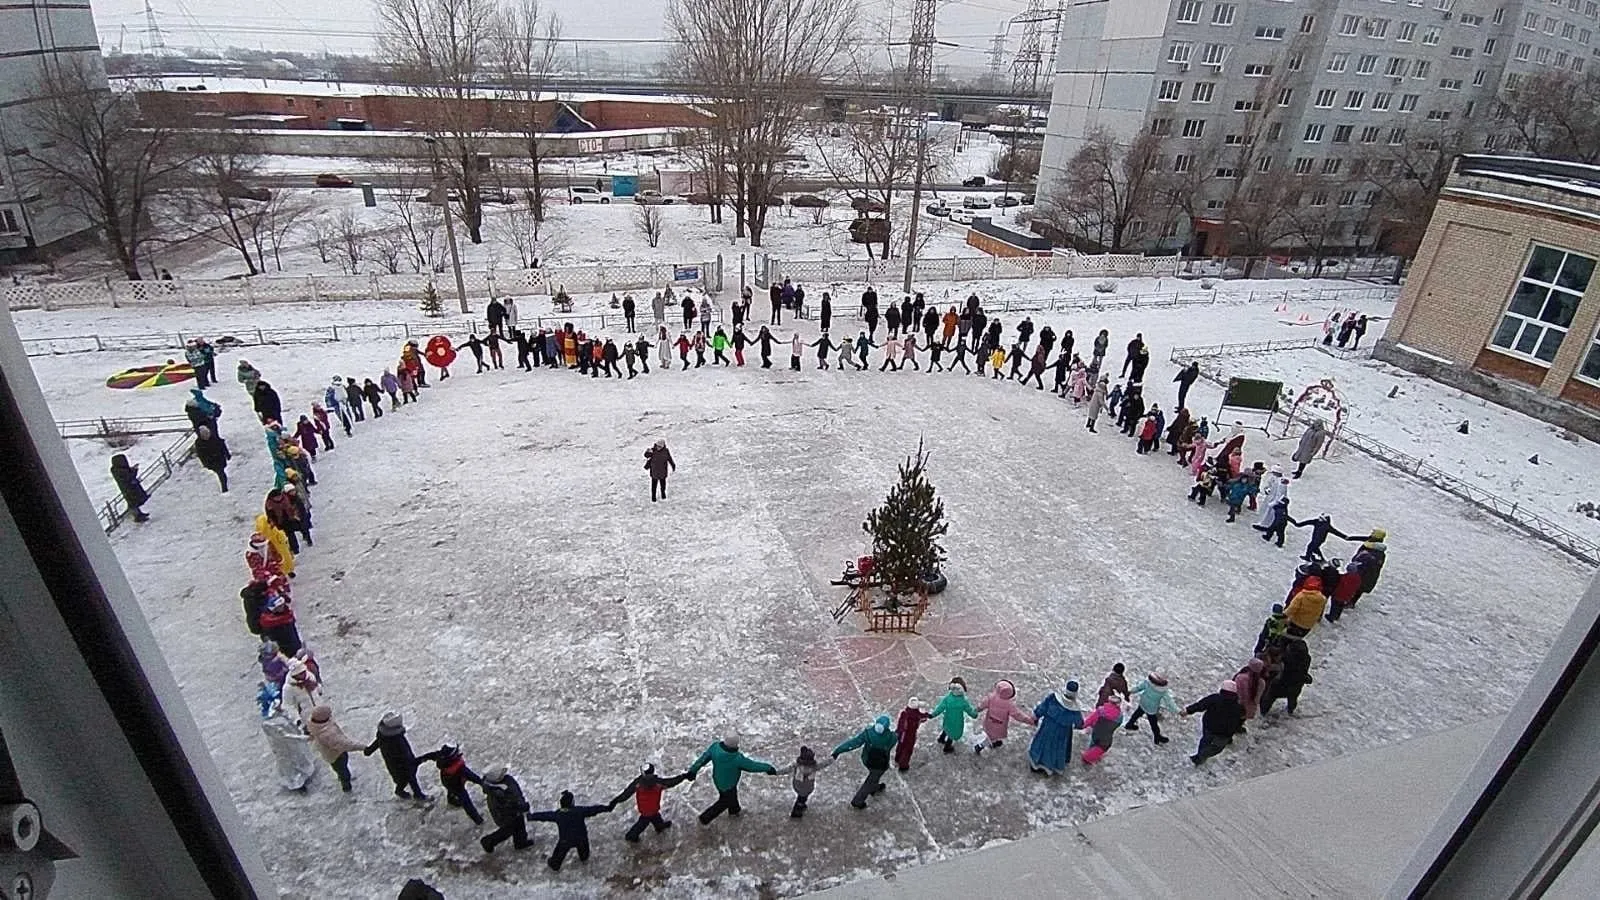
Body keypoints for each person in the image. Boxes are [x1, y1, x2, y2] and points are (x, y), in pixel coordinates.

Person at [687, 731, 778, 824]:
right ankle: (705, 818)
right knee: (724, 802)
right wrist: (768, 768)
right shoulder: (737, 759)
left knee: (729, 797)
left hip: (717, 780)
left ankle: (734, 810)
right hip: (729, 784)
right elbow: (753, 766)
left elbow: (702, 759)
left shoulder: (715, 748)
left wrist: (692, 771)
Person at [529, 790, 615, 871]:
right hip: (581, 839)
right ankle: (583, 856)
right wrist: (607, 808)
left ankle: (554, 863)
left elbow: (544, 816)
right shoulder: (579, 811)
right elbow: (594, 809)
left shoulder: (558, 814)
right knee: (584, 856)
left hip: (565, 840)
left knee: (555, 862)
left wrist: (532, 816)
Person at [610, 764, 691, 841]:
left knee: (653, 817)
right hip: (653, 808)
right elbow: (672, 782)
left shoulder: (638, 783)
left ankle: (658, 827)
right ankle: (632, 835)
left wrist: (615, 801)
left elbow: (626, 794)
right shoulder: (658, 782)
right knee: (646, 821)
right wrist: (683, 776)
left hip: (645, 809)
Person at [831, 715, 898, 809]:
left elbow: (853, 743)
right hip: (880, 765)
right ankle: (858, 801)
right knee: (871, 780)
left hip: (867, 760)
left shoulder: (868, 734)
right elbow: (896, 737)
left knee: (874, 777)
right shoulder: (892, 737)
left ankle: (874, 787)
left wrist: (838, 751)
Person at [363, 712, 429, 800]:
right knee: (409, 779)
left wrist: (369, 750)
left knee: (402, 780)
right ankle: (417, 795)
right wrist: (414, 761)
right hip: (403, 765)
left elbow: (376, 743)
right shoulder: (397, 739)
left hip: (394, 765)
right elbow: (404, 753)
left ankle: (403, 791)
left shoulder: (382, 735)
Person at [415, 743, 485, 824]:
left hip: (446, 781)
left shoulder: (441, 758)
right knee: (466, 802)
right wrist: (483, 783)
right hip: (458, 786)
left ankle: (451, 800)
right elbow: (473, 777)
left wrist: (419, 760)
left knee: (450, 790)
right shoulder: (460, 769)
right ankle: (478, 820)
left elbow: (430, 755)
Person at [1027, 680, 1085, 775]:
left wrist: (1036, 716)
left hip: (1047, 727)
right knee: (1056, 749)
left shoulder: (1053, 698)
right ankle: (1050, 767)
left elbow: (1042, 708)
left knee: (1042, 743)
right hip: (1062, 734)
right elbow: (1080, 724)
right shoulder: (1074, 710)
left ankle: (1036, 763)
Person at [305, 706, 365, 792]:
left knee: (338, 769)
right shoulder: (328, 733)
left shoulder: (313, 726)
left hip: (328, 755)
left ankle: (341, 778)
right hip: (337, 755)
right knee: (343, 770)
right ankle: (346, 786)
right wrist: (363, 747)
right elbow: (345, 744)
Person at [1184, 681, 1244, 765]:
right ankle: (1202, 755)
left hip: (1209, 726)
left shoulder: (1215, 698)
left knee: (1205, 741)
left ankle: (1199, 756)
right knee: (1217, 747)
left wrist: (1188, 710)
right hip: (1224, 732)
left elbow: (1200, 705)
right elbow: (1238, 720)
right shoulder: (1238, 706)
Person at [479, 765, 534, 853]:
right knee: (508, 830)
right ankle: (489, 841)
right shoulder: (498, 792)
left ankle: (520, 842)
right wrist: (522, 806)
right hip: (506, 815)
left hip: (512, 811)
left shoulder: (502, 783)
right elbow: (509, 804)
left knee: (519, 825)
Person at [972, 679, 1035, 755]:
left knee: (991, 735)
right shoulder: (1009, 704)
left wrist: (976, 710)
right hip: (999, 726)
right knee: (991, 737)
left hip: (989, 722)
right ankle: (980, 746)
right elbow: (1018, 715)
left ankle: (994, 742)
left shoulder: (991, 698)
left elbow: (981, 705)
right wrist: (1029, 720)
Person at [776, 746, 833, 819]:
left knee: (801, 797)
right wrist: (833, 758)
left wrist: (775, 772)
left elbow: (785, 770)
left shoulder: (796, 766)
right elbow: (824, 764)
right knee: (801, 799)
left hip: (797, 786)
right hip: (808, 788)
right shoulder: (814, 767)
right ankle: (796, 813)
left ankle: (800, 806)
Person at [1124, 672, 1179, 745]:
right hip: (1151, 708)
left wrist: (1130, 691)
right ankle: (1157, 737)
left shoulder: (1147, 683)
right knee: (1153, 724)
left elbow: (1139, 688)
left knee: (1137, 713)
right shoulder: (1163, 691)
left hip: (1143, 702)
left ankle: (1129, 724)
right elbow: (1169, 702)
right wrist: (1178, 711)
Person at [930, 677, 978, 753]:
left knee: (946, 728)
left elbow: (940, 708)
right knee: (952, 734)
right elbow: (969, 711)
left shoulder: (947, 698)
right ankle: (947, 747)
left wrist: (932, 715)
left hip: (948, 718)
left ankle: (941, 738)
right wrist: (974, 714)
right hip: (956, 721)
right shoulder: (963, 701)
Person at [1080, 695, 1124, 765]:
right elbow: (1117, 725)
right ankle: (1093, 756)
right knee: (1100, 746)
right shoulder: (1120, 716)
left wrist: (1081, 726)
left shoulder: (1101, 710)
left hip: (1096, 732)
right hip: (1107, 735)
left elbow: (1090, 720)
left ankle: (1088, 756)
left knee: (1093, 743)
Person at [893, 699, 932, 772]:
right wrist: (927, 714)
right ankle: (903, 766)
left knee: (900, 747)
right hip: (910, 736)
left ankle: (897, 759)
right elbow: (924, 718)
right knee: (907, 750)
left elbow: (900, 726)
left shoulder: (904, 713)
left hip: (902, 735)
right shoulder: (916, 715)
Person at [110, 454, 150, 522]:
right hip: (129, 488)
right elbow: (129, 476)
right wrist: (135, 470)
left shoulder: (118, 469)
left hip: (129, 487)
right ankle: (137, 516)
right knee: (132, 502)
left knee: (133, 502)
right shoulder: (120, 471)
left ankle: (139, 514)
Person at [193, 425, 231, 492]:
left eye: (207, 433)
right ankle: (224, 488)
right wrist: (206, 464)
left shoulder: (214, 438)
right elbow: (201, 455)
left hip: (219, 458)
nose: (206, 436)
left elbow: (222, 445)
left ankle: (224, 487)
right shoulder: (199, 443)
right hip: (211, 461)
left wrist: (227, 454)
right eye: (204, 434)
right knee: (221, 473)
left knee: (221, 472)